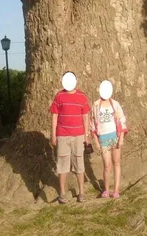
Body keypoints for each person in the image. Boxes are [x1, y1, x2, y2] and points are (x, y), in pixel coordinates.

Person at [50, 71, 90, 204]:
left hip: (78, 136)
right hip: (62, 136)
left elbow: (85, 117)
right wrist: (53, 134)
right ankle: (62, 194)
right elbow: (54, 116)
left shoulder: (82, 97)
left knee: (79, 164)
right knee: (62, 165)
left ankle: (81, 193)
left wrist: (86, 136)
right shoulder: (59, 96)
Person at [90, 80, 128, 198]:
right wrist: (96, 140)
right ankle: (106, 189)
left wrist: (121, 138)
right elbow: (92, 124)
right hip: (103, 139)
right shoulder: (95, 106)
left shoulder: (115, 104)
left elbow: (122, 120)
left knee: (116, 162)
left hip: (115, 137)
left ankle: (116, 190)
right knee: (107, 165)